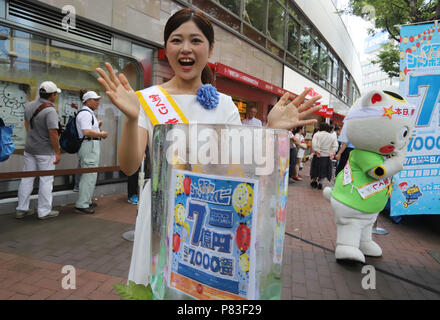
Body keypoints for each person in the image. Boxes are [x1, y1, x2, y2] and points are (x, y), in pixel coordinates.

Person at [96, 8, 321, 286]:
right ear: (166, 48)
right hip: (159, 208)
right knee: (156, 285)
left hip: (206, 211)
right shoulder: (147, 99)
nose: (186, 48)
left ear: (210, 48)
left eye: (196, 40)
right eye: (176, 40)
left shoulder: (225, 104)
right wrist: (132, 119)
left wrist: (270, 131)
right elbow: (129, 166)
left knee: (198, 287)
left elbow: (240, 169)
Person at [16, 81, 61, 220]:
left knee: (27, 178)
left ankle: (21, 209)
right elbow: (53, 133)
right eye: (55, 94)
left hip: (30, 148)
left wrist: (32, 136)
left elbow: (26, 123)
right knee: (46, 180)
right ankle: (44, 211)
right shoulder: (50, 111)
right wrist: (57, 152)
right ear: (52, 95)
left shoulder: (29, 105)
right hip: (45, 151)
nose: (56, 96)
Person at [74, 91, 108, 214]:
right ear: (87, 101)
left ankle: (86, 200)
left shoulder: (87, 113)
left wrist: (97, 125)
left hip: (90, 144)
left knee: (90, 174)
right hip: (89, 144)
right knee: (89, 174)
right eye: (95, 100)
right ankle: (82, 204)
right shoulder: (86, 114)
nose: (97, 102)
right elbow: (86, 132)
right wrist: (101, 134)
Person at [310, 122, 338, 190]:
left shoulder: (317, 134)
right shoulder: (332, 136)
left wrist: (317, 151)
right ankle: (320, 183)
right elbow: (335, 146)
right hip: (327, 156)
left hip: (318, 155)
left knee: (315, 168)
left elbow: (314, 144)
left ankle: (314, 182)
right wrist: (332, 153)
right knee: (324, 170)